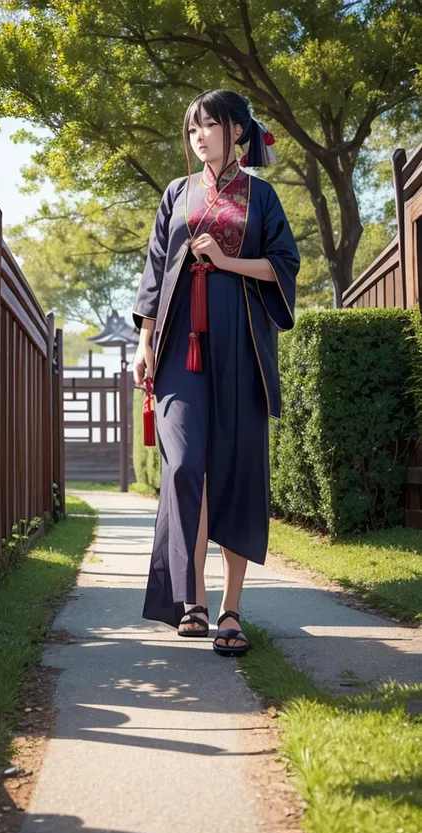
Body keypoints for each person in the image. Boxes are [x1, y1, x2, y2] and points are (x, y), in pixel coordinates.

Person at [131, 89, 300, 656]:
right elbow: (157, 267)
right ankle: (192, 599)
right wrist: (144, 339)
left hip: (243, 343)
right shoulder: (177, 194)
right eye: (193, 129)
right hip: (182, 343)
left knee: (237, 464)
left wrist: (226, 262)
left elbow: (283, 266)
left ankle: (229, 608)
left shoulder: (262, 195)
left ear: (238, 132)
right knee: (183, 464)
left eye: (210, 125)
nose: (199, 135)